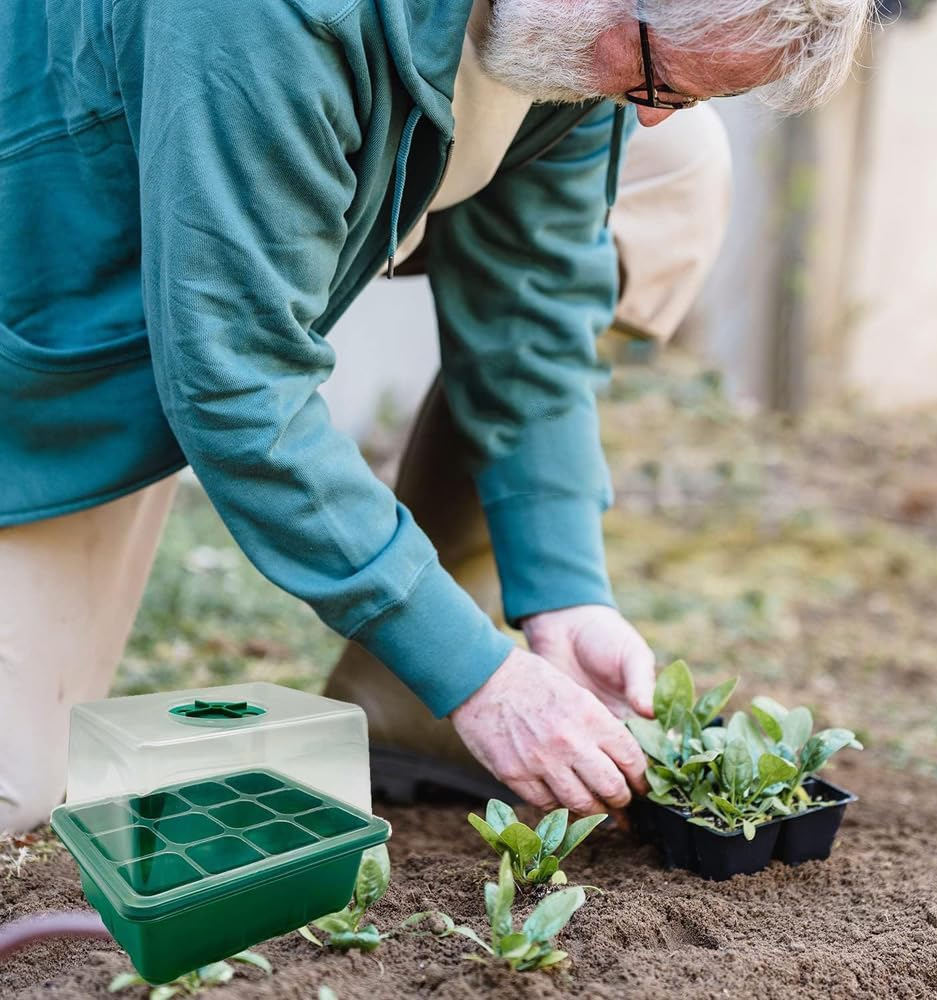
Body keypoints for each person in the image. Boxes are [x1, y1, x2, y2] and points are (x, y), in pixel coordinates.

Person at [0, 0, 868, 833]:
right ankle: (453, 658)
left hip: (299, 156)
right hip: (57, 276)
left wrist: (564, 590)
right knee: (14, 793)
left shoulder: (587, 34)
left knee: (680, 169)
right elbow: (236, 387)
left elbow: (535, 297)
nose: (652, 117)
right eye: (658, 81)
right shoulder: (266, 16)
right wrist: (477, 676)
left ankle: (413, 680)